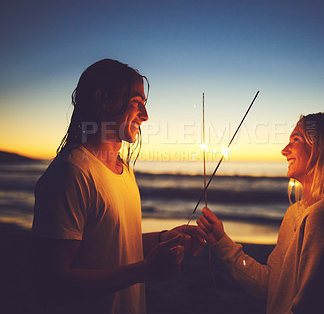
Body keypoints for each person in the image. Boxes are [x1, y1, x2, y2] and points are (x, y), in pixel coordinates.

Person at [31, 59, 205, 314]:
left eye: (144, 104)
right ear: (104, 100)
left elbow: (116, 245)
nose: (145, 116)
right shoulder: (72, 173)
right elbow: (51, 285)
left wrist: (164, 237)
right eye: (137, 103)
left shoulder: (124, 170)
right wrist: (146, 270)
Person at [197, 112, 324, 314]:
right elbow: (271, 285)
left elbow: (313, 306)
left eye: (296, 139)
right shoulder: (295, 213)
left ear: (322, 148)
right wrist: (222, 241)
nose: (284, 151)